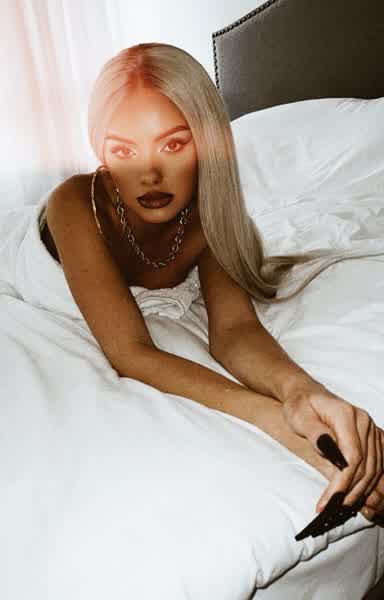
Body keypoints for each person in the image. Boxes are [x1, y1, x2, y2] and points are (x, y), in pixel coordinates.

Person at [41, 42, 384, 523]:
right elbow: (130, 351)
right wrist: (275, 421)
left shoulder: (206, 212)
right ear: (101, 151)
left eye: (173, 144)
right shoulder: (74, 202)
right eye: (123, 150)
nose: (149, 173)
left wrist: (304, 394)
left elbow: (234, 331)